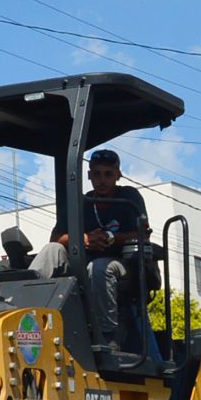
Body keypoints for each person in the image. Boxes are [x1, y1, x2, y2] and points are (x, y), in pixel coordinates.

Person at [31, 149, 150, 355]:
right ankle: (24, 310)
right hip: (81, 261)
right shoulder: (81, 202)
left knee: (99, 268)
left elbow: (143, 234)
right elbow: (56, 236)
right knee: (52, 250)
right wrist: (83, 239)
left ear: (118, 175)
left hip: (121, 264)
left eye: (108, 174)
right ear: (88, 175)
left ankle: (108, 336)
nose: (102, 180)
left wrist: (111, 238)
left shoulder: (129, 197)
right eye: (96, 174)